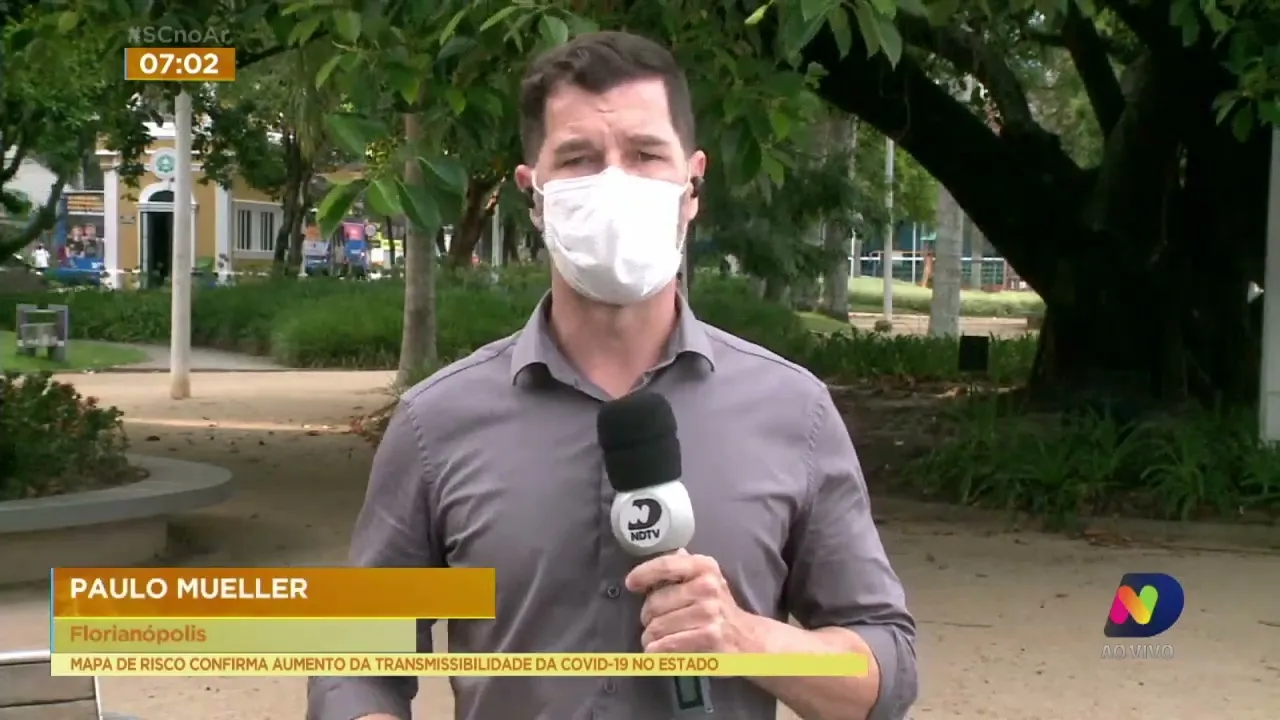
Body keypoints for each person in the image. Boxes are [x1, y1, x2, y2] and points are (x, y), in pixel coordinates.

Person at [307, 31, 917, 720]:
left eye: (644, 154)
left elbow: (883, 671)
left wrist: (745, 638)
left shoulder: (792, 412)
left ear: (692, 187)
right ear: (532, 195)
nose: (614, 181)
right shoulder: (435, 424)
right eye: (579, 158)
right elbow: (358, 659)